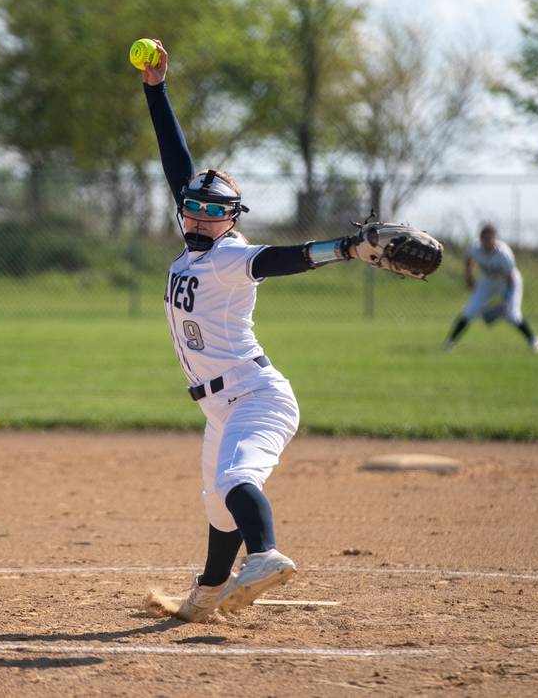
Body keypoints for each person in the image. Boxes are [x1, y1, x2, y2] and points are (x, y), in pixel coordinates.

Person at [139, 40, 375, 622]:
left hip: (257, 396)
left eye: (214, 211)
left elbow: (285, 258)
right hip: (221, 404)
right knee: (218, 504)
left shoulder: (229, 256)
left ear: (233, 220)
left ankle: (266, 554)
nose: (199, 216)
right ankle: (207, 593)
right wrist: (156, 91)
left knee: (236, 478)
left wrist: (346, 248)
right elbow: (178, 165)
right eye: (193, 207)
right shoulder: (196, 247)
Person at [444, 223, 538, 353]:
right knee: (469, 310)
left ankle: (533, 340)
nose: (487, 241)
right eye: (484, 238)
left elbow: (510, 278)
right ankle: (450, 342)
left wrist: (506, 300)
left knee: (513, 314)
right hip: (487, 281)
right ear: (480, 238)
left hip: (508, 282)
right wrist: (469, 279)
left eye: (490, 238)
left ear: (495, 238)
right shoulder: (475, 248)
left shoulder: (503, 254)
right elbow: (469, 261)